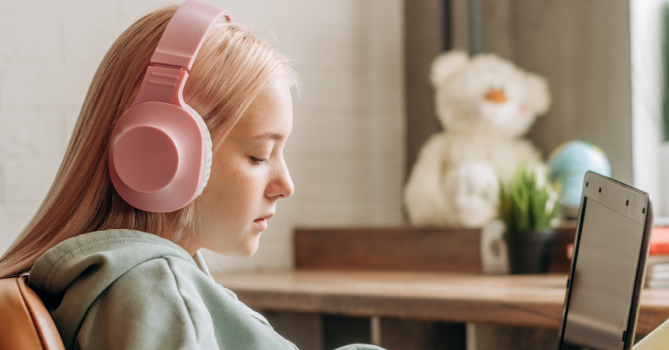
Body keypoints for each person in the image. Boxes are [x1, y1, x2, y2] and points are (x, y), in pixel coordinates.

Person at [0, 1, 383, 349]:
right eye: (259, 155)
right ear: (161, 152)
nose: (286, 185)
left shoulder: (137, 281)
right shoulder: (150, 289)